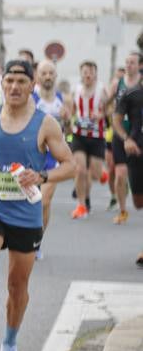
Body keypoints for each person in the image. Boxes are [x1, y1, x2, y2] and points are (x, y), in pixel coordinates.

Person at [0, 61, 74, 351]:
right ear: (2, 84)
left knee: (17, 284)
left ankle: (10, 345)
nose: (14, 87)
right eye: (9, 81)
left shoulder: (46, 124)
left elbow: (69, 165)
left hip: (25, 212)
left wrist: (41, 175)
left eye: (21, 82)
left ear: (32, 87)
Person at [32, 59, 68, 238]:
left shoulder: (62, 99)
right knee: (30, 202)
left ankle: (37, 241)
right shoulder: (32, 98)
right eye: (44, 73)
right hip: (33, 155)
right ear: (37, 76)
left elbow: (67, 131)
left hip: (53, 157)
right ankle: (28, 236)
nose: (47, 76)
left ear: (56, 75)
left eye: (51, 73)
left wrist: (67, 120)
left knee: (44, 201)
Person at [69, 60, 110, 219]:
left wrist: (101, 115)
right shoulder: (75, 89)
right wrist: (70, 117)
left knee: (94, 172)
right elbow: (72, 109)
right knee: (80, 170)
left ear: (95, 74)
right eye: (85, 72)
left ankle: (102, 174)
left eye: (90, 72)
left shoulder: (102, 90)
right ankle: (81, 205)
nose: (87, 75)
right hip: (79, 135)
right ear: (81, 74)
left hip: (97, 136)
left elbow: (111, 109)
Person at [108, 51, 142, 224]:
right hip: (121, 135)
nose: (129, 65)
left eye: (132, 62)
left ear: (139, 65)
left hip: (138, 135)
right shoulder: (117, 84)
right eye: (127, 62)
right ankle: (122, 210)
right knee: (120, 174)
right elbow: (109, 106)